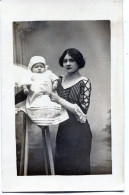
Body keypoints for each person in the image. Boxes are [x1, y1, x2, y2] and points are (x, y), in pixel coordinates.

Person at [51, 48, 92, 175]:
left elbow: (82, 110)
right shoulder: (57, 80)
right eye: (65, 61)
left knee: (78, 172)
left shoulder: (84, 82)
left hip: (80, 132)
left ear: (78, 62)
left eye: (71, 60)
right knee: (62, 170)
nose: (67, 63)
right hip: (63, 130)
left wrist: (58, 99)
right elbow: (37, 88)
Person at [15, 56, 68, 125]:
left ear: (45, 67)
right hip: (35, 97)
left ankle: (47, 118)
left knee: (48, 105)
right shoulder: (31, 75)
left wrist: (55, 84)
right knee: (36, 105)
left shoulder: (48, 73)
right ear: (31, 68)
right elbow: (24, 82)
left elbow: (55, 79)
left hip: (46, 96)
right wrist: (25, 88)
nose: (39, 68)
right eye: (36, 67)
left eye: (41, 67)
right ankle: (39, 118)